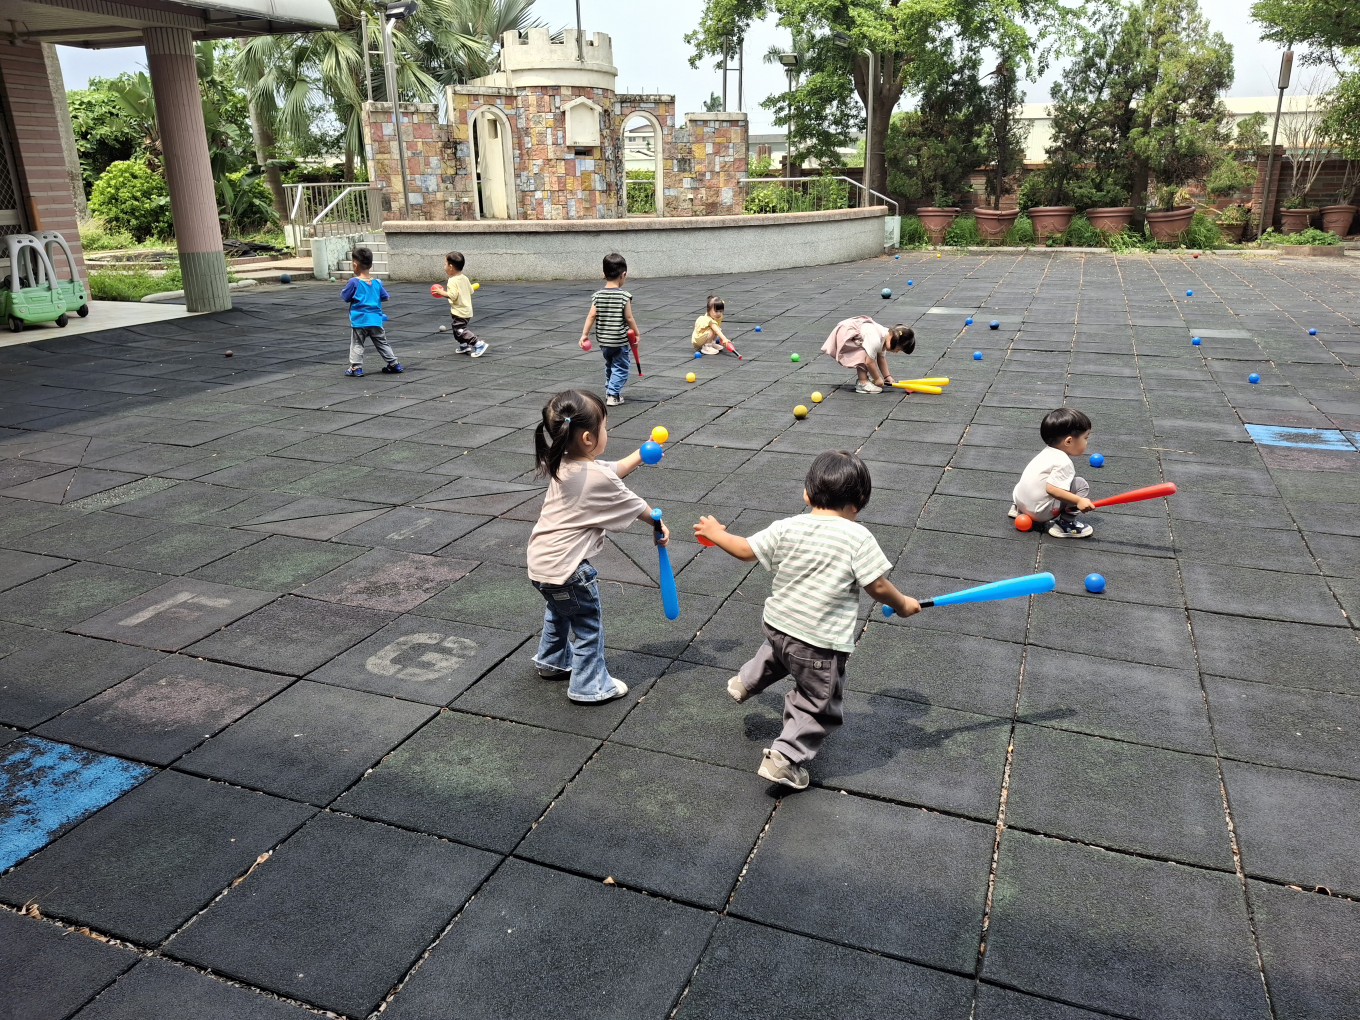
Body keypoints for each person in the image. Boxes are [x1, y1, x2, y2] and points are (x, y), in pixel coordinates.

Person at [694, 451, 919, 790]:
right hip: (818, 643)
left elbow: (744, 550)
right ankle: (784, 759)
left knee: (779, 653)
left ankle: (746, 681)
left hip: (777, 624)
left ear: (807, 494)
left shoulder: (788, 526)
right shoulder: (858, 538)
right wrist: (902, 604)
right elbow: (877, 585)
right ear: (858, 504)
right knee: (817, 703)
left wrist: (715, 532)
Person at [528, 389, 670, 705]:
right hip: (570, 571)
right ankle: (588, 686)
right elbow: (635, 504)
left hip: (541, 565)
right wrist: (658, 525)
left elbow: (611, 470)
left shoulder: (563, 462)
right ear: (589, 438)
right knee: (587, 625)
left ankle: (551, 660)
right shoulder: (593, 476)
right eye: (605, 427)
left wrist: (642, 452)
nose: (608, 432)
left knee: (560, 610)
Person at [1011, 407, 1095, 538]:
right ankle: (1065, 524)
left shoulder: (1046, 452)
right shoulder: (1064, 462)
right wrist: (1079, 500)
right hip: (1039, 513)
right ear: (1069, 441)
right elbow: (1052, 490)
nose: (1086, 442)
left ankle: (1017, 509)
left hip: (1021, 501)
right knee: (1080, 484)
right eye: (1086, 437)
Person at [578, 253, 639, 406]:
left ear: (604, 274)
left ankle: (609, 389)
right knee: (621, 367)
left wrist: (584, 335)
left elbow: (591, 315)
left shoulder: (597, 296)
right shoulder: (624, 296)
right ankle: (613, 394)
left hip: (604, 341)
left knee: (610, 365)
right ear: (623, 275)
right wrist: (637, 333)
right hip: (619, 341)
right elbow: (629, 318)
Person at [340, 246, 402, 377]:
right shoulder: (377, 283)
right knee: (382, 343)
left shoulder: (354, 282)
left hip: (360, 320)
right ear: (371, 264)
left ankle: (356, 367)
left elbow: (345, 297)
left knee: (357, 343)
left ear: (355, 265)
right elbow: (385, 297)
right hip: (376, 320)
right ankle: (394, 363)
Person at [820, 316, 915, 394]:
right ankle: (863, 383)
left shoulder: (885, 335)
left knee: (867, 353)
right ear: (894, 341)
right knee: (864, 355)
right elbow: (869, 362)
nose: (897, 352)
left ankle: (864, 379)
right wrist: (877, 379)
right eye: (898, 349)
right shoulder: (875, 340)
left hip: (851, 330)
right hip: (846, 334)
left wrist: (887, 377)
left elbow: (881, 358)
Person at [431, 250, 488, 357]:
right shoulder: (464, 278)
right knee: (456, 329)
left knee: (460, 330)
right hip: (466, 310)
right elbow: (471, 290)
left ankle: (478, 344)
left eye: (445, 264)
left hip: (460, 311)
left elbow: (452, 295)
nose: (444, 266)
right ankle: (464, 345)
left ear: (450, 267)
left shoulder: (452, 281)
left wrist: (441, 292)